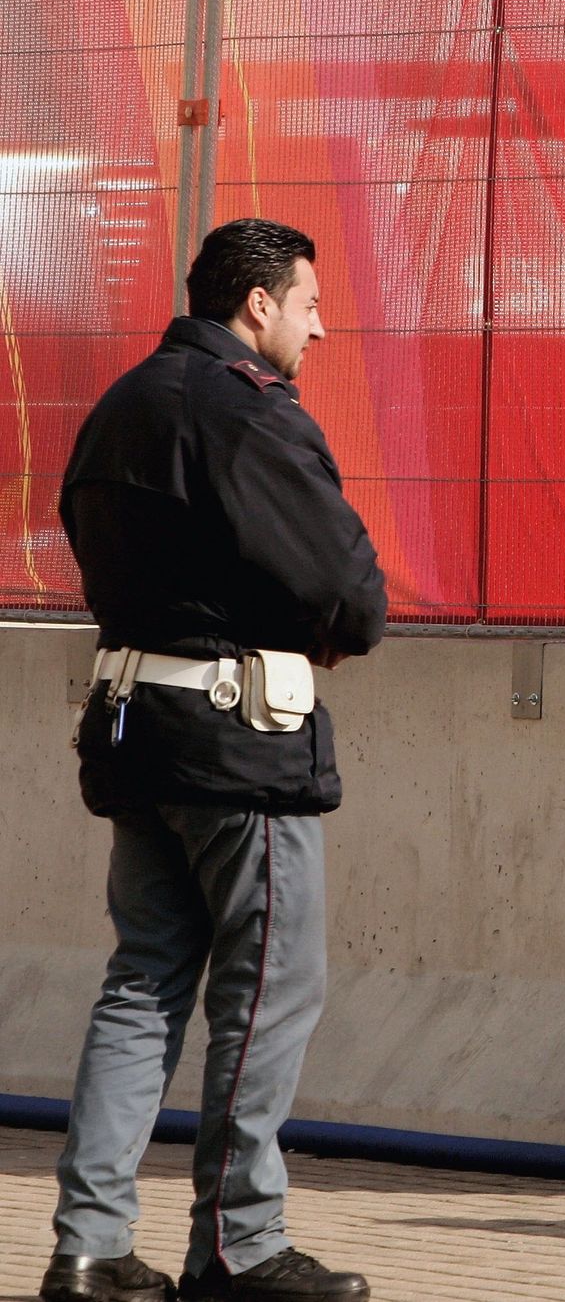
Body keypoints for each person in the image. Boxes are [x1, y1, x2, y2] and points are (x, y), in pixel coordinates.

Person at [40, 219, 386, 1302]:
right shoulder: (245, 411)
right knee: (268, 993)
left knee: (141, 985)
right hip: (240, 754)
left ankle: (89, 1246)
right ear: (255, 305)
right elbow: (348, 588)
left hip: (137, 735)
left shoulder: (118, 409)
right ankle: (239, 1244)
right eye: (309, 305)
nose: (319, 326)